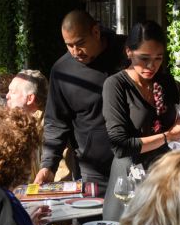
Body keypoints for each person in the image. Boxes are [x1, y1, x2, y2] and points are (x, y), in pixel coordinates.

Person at [101, 21, 180, 220]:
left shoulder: (165, 81)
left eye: (158, 58)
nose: (151, 66)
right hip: (129, 174)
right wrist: (168, 136)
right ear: (129, 52)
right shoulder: (116, 85)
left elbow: (177, 123)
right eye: (144, 58)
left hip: (163, 173)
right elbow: (120, 146)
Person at [34, 10, 125, 190]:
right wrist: (48, 165)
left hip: (137, 161)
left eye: (80, 43)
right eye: (69, 45)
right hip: (92, 170)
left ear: (96, 32)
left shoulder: (127, 52)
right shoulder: (63, 71)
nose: (75, 52)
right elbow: (56, 122)